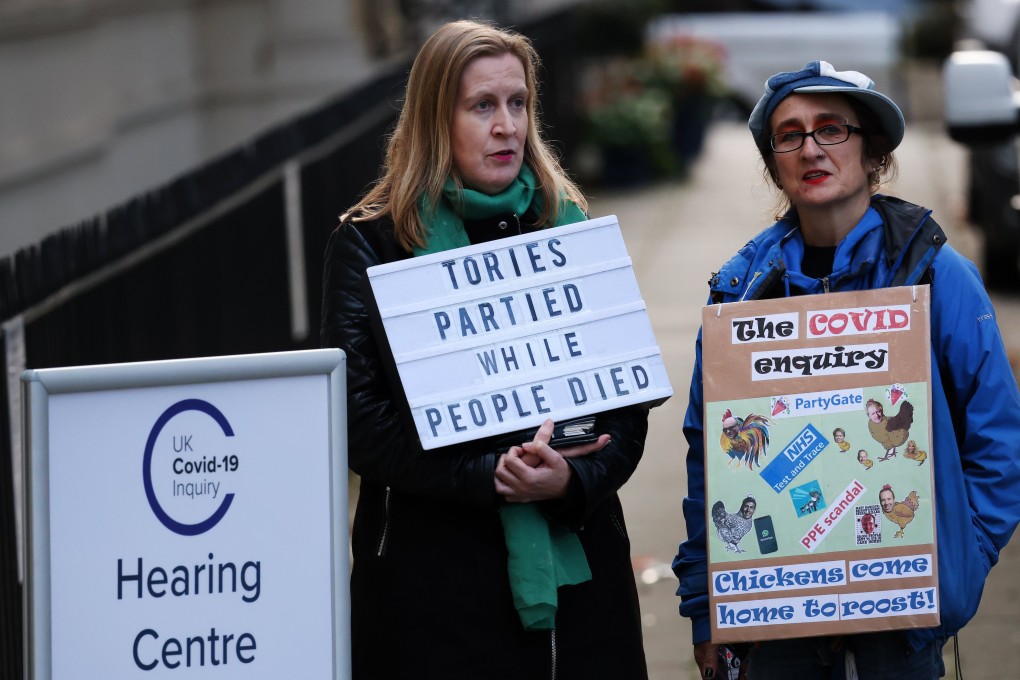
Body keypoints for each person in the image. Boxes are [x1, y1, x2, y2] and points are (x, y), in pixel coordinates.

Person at [320, 19, 649, 679]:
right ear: (436, 118)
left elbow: (625, 409)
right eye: (482, 106)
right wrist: (489, 475)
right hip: (433, 582)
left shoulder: (569, 226)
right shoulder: (372, 243)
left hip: (581, 587)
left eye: (518, 102)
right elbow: (357, 421)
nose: (507, 126)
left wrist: (570, 479)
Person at [672, 61, 1020, 679]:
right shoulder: (739, 297)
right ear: (774, 161)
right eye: (790, 134)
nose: (810, 147)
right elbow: (711, 461)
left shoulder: (940, 279)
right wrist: (708, 608)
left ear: (872, 151)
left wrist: (960, 559)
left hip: (904, 631)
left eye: (832, 129)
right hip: (774, 635)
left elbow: (998, 442)